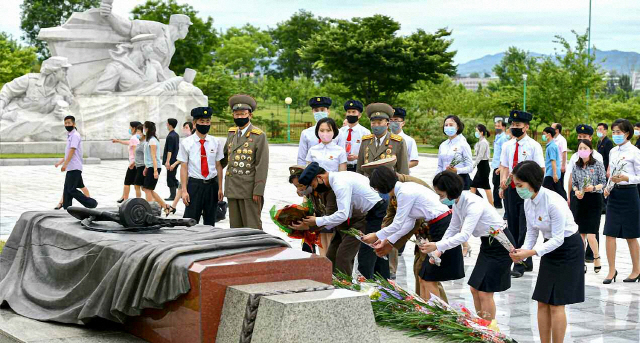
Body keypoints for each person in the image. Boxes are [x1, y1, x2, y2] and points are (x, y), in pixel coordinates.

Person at [421, 171, 514, 321]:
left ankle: (489, 329)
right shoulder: (458, 202)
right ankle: (481, 326)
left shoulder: (472, 203)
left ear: (450, 190)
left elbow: (464, 235)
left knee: (485, 291)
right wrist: (438, 251)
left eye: (441, 194)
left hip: (500, 244)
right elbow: (452, 228)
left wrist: (437, 245)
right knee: (474, 289)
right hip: (487, 244)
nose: (440, 199)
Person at [509, 160, 584, 343]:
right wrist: (523, 251)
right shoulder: (528, 201)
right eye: (516, 185)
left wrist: (532, 253)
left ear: (533, 182)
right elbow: (532, 231)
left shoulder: (553, 202)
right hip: (549, 248)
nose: (518, 189)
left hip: (568, 248)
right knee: (542, 301)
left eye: (520, 185)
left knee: (557, 303)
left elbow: (559, 238)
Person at [362, 167, 460, 299]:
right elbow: (408, 223)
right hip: (436, 225)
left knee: (428, 278)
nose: (377, 191)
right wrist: (388, 240)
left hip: (441, 226)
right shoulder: (402, 190)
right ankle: (428, 312)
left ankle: (437, 314)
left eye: (376, 188)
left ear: (381, 184)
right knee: (423, 276)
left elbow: (398, 223)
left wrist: (377, 235)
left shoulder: (404, 192)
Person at [296, 162, 389, 279]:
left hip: (375, 212)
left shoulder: (339, 184)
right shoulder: (338, 178)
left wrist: (317, 221)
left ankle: (364, 290)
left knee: (367, 256)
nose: (316, 189)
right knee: (334, 254)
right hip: (361, 214)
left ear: (319, 177)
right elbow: (345, 214)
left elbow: (342, 215)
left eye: (314, 185)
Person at [289, 165, 362, 275]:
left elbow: (330, 215)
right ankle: (336, 284)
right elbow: (318, 212)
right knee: (331, 257)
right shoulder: (312, 192)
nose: (299, 190)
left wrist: (309, 226)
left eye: (300, 185)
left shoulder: (329, 189)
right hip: (340, 225)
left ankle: (346, 287)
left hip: (354, 221)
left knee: (343, 257)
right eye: (296, 186)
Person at [499, 110, 544, 278]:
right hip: (511, 189)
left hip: (526, 190)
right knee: (513, 224)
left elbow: (540, 169)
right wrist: (502, 184)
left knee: (525, 226)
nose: (514, 128)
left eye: (517, 125)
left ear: (526, 127)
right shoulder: (507, 145)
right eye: (512, 125)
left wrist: (534, 191)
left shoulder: (533, 146)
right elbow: (504, 165)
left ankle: (520, 262)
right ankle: (524, 258)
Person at [221, 94, 269, 230]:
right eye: (237, 114)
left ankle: (258, 251)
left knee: (252, 226)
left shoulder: (258, 136)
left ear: (250, 115)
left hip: (249, 190)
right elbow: (224, 158)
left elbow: (262, 166)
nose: (240, 117)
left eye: (243, 114)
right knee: (235, 227)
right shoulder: (231, 133)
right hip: (232, 188)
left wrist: (258, 191)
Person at [602, 119, 640, 284]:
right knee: (609, 233)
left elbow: (639, 176)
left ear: (627, 133)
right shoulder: (612, 151)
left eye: (618, 132)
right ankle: (611, 270)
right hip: (614, 195)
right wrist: (607, 187)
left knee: (630, 235)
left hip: (630, 195)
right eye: (614, 132)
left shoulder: (635, 151)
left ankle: (637, 270)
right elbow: (611, 174)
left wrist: (627, 178)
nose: (615, 135)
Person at [305, 117, 347, 254]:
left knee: (332, 227)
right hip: (316, 194)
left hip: (333, 193)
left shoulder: (340, 151)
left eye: (328, 130)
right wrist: (306, 195)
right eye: (321, 130)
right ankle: (323, 259)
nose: (325, 133)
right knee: (319, 228)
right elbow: (307, 174)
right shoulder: (312, 150)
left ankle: (333, 261)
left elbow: (343, 174)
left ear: (334, 132)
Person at [177, 107, 224, 225]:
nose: (205, 124)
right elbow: (184, 167)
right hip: (195, 185)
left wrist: (220, 188)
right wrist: (184, 190)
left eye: (208, 122)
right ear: (194, 123)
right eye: (202, 122)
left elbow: (218, 166)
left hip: (212, 185)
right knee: (191, 221)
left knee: (210, 220)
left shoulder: (216, 142)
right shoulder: (186, 143)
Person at [571, 139, 606, 274]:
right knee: (580, 234)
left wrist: (593, 188)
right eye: (580, 148)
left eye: (585, 148)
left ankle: (596, 257)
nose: (583, 150)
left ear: (591, 150)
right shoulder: (576, 165)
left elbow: (603, 182)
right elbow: (574, 182)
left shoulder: (597, 164)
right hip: (580, 200)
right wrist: (576, 191)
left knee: (591, 234)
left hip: (594, 200)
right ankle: (580, 262)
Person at [55, 115, 98, 209]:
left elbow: (72, 151)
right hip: (72, 167)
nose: (67, 125)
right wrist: (60, 162)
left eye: (69, 123)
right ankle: (66, 207)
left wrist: (65, 165)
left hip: (74, 167)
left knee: (71, 189)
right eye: (65, 123)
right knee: (67, 189)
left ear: (74, 124)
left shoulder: (75, 136)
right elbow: (67, 153)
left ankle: (91, 203)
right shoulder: (70, 135)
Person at [356, 103, 409, 177]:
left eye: (379, 122)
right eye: (373, 123)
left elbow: (403, 170)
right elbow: (359, 168)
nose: (376, 125)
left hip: (388, 185)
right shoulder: (366, 141)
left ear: (387, 124)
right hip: (367, 184)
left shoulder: (397, 142)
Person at [436, 115, 473, 190]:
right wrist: (437, 178)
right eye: (446, 125)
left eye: (451, 125)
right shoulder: (442, 145)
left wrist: (457, 170)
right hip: (445, 182)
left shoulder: (463, 144)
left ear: (458, 127)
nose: (448, 127)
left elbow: (470, 167)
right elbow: (440, 166)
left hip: (460, 181)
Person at [142, 121, 170, 213]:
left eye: (144, 127)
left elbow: (153, 156)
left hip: (154, 167)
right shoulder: (150, 140)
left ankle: (149, 209)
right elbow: (148, 156)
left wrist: (154, 170)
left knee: (147, 189)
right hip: (150, 166)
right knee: (147, 189)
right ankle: (165, 206)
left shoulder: (152, 140)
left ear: (147, 129)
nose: (143, 130)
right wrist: (146, 167)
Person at [111, 121, 141, 202]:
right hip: (137, 163)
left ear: (134, 128)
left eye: (130, 127)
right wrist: (118, 141)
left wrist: (133, 163)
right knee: (136, 185)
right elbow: (130, 143)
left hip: (133, 164)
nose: (129, 129)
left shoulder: (134, 138)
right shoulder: (137, 137)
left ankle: (125, 199)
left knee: (127, 182)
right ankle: (127, 198)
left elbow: (135, 152)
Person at [337, 100, 370, 172]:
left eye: (353, 112)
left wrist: (357, 157)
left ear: (359, 115)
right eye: (349, 112)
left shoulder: (365, 132)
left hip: (358, 168)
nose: (351, 114)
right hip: (342, 168)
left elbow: (369, 153)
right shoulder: (340, 132)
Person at [298, 97, 332, 165]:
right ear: (312, 112)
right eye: (316, 110)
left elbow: (341, 159)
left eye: (322, 110)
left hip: (331, 172)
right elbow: (301, 158)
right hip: (311, 172)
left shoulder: (338, 133)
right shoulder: (306, 133)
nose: (319, 113)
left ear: (328, 111)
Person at [169, 122, 195, 211]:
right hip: (185, 170)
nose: (184, 129)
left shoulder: (194, 141)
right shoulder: (185, 141)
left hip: (193, 170)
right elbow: (183, 157)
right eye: (184, 127)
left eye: (187, 127)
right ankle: (173, 206)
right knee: (181, 187)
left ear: (192, 129)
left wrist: (175, 163)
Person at [470, 124, 493, 206]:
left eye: (477, 131)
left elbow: (480, 156)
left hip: (483, 166)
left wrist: (473, 166)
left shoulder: (483, 142)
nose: (476, 133)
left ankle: (491, 206)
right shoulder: (480, 142)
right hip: (481, 167)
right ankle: (473, 204)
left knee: (485, 187)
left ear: (481, 132)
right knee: (474, 186)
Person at [491, 120, 508, 209]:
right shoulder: (497, 137)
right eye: (496, 126)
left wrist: (501, 166)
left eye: (499, 126)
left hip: (499, 166)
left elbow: (504, 154)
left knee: (499, 185)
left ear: (504, 127)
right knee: (495, 184)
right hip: (495, 165)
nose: (497, 128)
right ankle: (497, 203)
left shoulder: (504, 138)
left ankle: (498, 204)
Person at [540, 127, 562, 195]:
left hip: (551, 173)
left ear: (549, 135)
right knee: (557, 191)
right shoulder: (551, 145)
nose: (543, 136)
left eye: (544, 134)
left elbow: (553, 161)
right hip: (552, 172)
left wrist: (554, 174)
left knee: (544, 190)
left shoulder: (551, 147)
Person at [133, 124, 151, 202]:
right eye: (136, 131)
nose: (137, 133)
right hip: (138, 166)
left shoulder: (144, 143)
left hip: (142, 167)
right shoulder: (140, 142)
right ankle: (156, 202)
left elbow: (147, 156)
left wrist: (146, 167)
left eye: (138, 131)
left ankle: (138, 202)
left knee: (137, 186)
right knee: (144, 188)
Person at [163, 118, 180, 201]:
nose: (166, 125)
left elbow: (170, 150)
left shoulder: (170, 136)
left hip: (171, 160)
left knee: (170, 178)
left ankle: (173, 195)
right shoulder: (176, 135)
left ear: (170, 125)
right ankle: (181, 188)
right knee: (172, 177)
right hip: (175, 159)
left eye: (167, 123)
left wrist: (167, 161)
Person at [551, 123, 568, 199]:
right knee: (555, 185)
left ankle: (564, 200)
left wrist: (563, 166)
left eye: (552, 128)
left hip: (560, 166)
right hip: (554, 166)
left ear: (557, 130)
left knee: (559, 186)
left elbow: (564, 153)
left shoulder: (562, 140)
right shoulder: (553, 139)